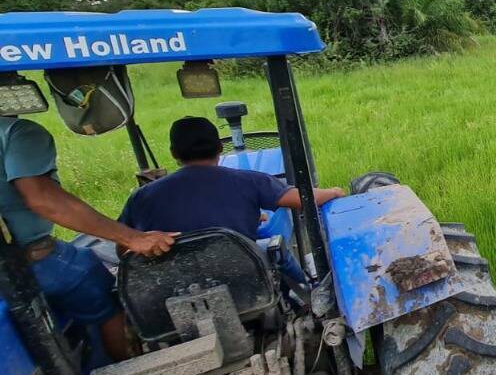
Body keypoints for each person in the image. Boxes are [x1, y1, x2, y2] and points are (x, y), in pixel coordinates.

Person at [1, 116, 175, 361]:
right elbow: (42, 198)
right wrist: (133, 238)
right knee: (100, 287)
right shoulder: (18, 133)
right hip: (27, 261)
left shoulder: (141, 198)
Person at [119, 116, 345, 242]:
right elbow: (304, 198)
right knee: (277, 253)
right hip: (242, 278)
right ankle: (302, 297)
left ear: (174, 153)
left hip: (165, 290)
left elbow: (123, 246)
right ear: (220, 147)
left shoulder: (140, 198)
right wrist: (333, 192)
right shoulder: (250, 181)